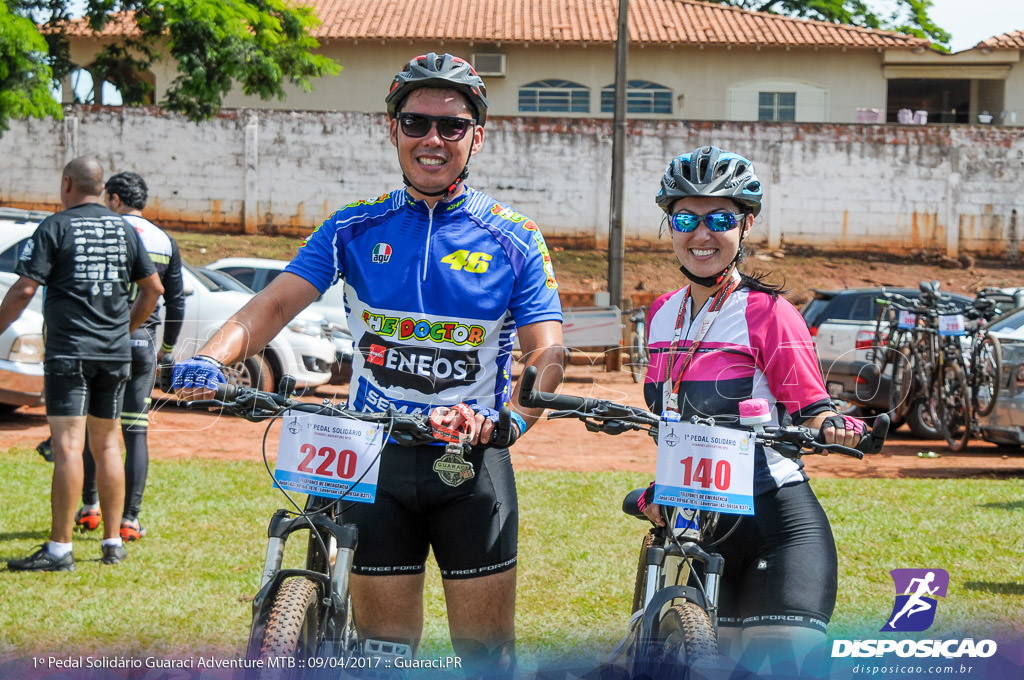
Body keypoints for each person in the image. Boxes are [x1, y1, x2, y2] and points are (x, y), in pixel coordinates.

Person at [171, 52, 564, 673]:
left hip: (472, 463)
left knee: (486, 656)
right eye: (415, 122)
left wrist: (512, 420)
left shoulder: (514, 236)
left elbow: (547, 353)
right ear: (392, 130)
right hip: (368, 457)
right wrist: (212, 358)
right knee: (386, 654)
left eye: (452, 125)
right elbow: (271, 306)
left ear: (477, 137)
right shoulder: (352, 228)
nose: (432, 138)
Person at [638, 146, 867, 675]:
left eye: (720, 219)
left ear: (746, 225)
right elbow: (671, 420)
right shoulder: (660, 314)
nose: (702, 234)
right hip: (695, 524)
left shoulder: (769, 313)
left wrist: (835, 424)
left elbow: (812, 405)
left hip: (777, 528)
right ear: (669, 225)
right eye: (686, 218)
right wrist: (665, 488)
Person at [0, 157, 163, 571]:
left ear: (67, 183)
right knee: (108, 443)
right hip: (113, 353)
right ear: (101, 187)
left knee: (69, 445)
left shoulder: (56, 226)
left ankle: (60, 549)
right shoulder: (124, 229)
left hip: (69, 352)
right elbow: (154, 289)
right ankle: (112, 542)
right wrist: (122, 327)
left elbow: (23, 290)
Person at [72, 171, 186, 541]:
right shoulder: (163, 239)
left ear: (116, 199)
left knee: (97, 429)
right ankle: (130, 519)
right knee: (135, 432)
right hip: (143, 345)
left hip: (101, 343)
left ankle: (90, 508)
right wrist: (166, 351)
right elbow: (176, 301)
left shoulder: (100, 230)